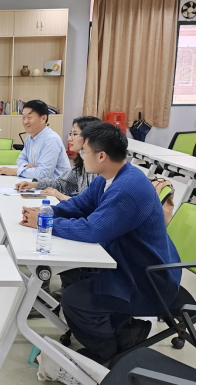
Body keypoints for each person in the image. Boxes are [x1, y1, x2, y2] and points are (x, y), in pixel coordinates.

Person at [20, 123, 182, 363]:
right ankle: (124, 330)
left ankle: (108, 353)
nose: (79, 154)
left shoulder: (129, 188)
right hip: (127, 263)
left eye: (84, 151)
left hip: (146, 279)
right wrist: (46, 213)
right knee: (72, 272)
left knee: (74, 299)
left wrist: (46, 224)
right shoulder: (107, 178)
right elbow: (78, 206)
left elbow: (93, 229)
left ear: (102, 156)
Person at [16, 116, 101, 201]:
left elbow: (89, 204)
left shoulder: (97, 168)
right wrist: (34, 184)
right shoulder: (80, 165)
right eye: (70, 134)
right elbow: (60, 183)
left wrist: (59, 195)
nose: (69, 139)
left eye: (75, 134)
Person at [0, 100, 70, 179]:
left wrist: (16, 171)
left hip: (57, 185)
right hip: (37, 183)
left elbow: (43, 174)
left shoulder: (51, 140)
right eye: (23, 117)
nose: (25, 122)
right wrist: (26, 166)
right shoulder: (29, 138)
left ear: (43, 118)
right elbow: (21, 159)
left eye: (29, 118)